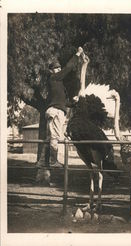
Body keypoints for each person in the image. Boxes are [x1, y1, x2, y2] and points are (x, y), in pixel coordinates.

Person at [36, 47, 84, 183]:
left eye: (58, 68)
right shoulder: (54, 78)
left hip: (55, 110)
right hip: (56, 112)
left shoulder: (58, 84)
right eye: (56, 69)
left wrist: (72, 103)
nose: (58, 70)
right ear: (52, 71)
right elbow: (69, 67)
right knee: (55, 137)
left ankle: (41, 162)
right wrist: (78, 54)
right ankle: (53, 161)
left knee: (50, 137)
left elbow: (60, 101)